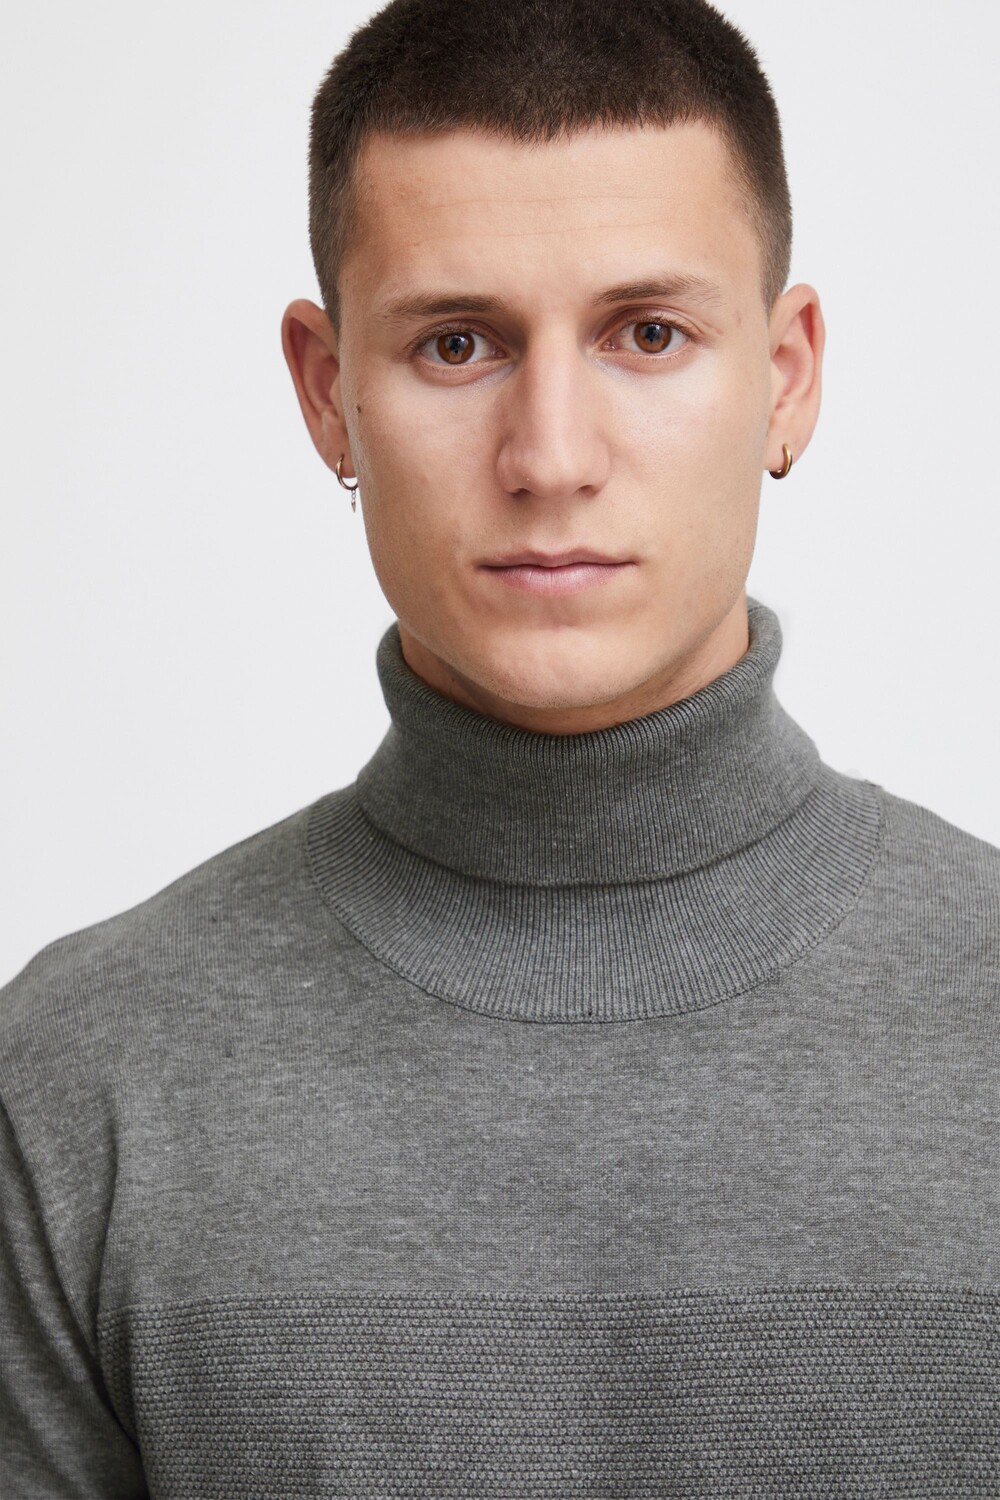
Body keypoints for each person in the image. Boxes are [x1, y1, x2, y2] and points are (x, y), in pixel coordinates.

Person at [2, 0, 998, 1492]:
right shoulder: (78, 1086)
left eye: (647, 335)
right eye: (456, 344)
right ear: (330, 394)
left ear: (786, 376)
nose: (550, 457)